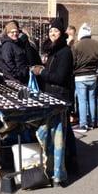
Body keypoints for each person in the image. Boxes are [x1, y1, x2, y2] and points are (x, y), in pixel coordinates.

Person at [32, 18, 77, 185]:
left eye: (56, 31)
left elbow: (59, 77)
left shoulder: (64, 52)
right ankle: (71, 163)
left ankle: (59, 170)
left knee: (58, 135)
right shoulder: (52, 50)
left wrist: (41, 72)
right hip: (52, 97)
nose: (52, 34)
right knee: (65, 134)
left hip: (60, 98)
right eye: (51, 31)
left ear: (62, 33)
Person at [72, 23, 98, 133]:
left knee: (82, 100)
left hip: (80, 76)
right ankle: (93, 122)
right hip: (93, 75)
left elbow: (73, 62)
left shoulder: (76, 45)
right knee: (92, 99)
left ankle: (83, 124)